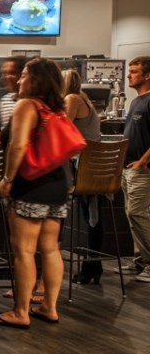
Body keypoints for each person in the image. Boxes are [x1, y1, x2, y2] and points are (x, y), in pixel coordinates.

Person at [0, 57, 70, 328]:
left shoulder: (26, 104)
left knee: (24, 250)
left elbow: (18, 146)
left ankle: (20, 311)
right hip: (58, 184)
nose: (19, 80)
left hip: (31, 184)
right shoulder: (55, 106)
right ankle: (49, 306)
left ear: (35, 80)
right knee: (50, 248)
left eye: (24, 75)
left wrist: (7, 179)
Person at [62, 68, 104, 285]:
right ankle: (93, 264)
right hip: (94, 165)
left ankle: (91, 265)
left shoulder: (71, 99)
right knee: (92, 216)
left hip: (83, 166)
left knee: (91, 216)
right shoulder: (84, 99)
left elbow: (61, 129)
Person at [117, 56, 150, 282]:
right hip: (129, 167)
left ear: (147, 75)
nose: (128, 75)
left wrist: (142, 162)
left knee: (137, 213)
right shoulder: (136, 101)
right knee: (132, 217)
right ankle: (140, 261)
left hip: (142, 168)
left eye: (134, 71)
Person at [0, 56, 27, 143]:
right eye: (4, 73)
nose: (6, 77)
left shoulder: (32, 103)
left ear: (23, 75)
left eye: (12, 72)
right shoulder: (4, 100)